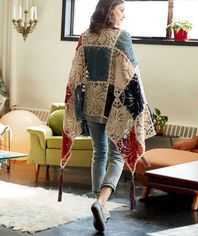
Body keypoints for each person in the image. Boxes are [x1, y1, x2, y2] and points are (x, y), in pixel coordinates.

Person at [60, 0, 156, 232]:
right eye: (122, 10)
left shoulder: (85, 36)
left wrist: (78, 102)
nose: (124, 16)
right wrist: (141, 106)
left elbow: (77, 72)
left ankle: (99, 206)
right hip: (115, 105)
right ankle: (102, 201)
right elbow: (132, 76)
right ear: (110, 9)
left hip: (91, 103)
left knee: (98, 153)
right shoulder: (122, 37)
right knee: (116, 157)